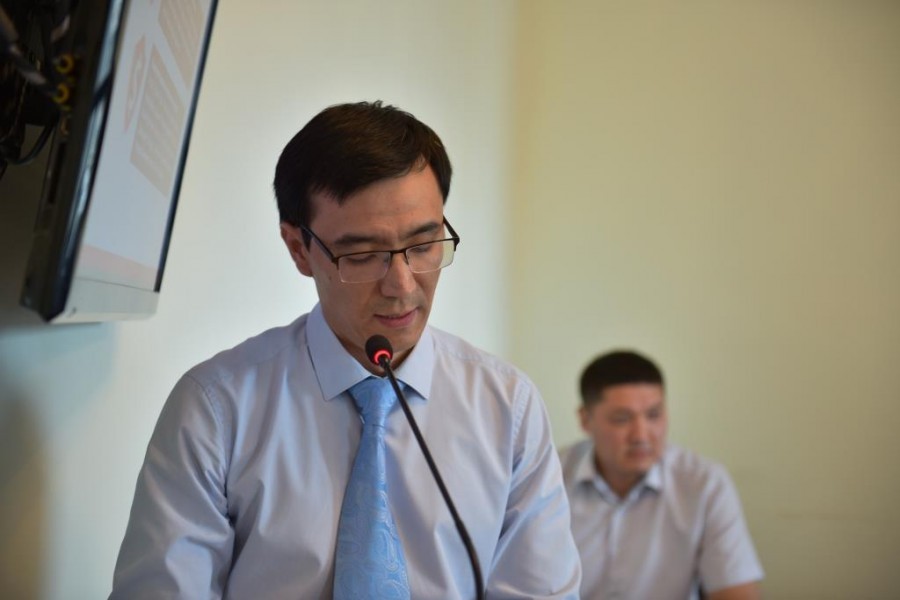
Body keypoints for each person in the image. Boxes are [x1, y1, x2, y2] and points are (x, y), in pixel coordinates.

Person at [110, 100, 580, 599]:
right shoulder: (217, 407)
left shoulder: (507, 408)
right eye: (363, 255)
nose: (402, 286)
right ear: (299, 249)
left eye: (424, 246)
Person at [559, 350, 763, 600]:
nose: (641, 435)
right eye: (622, 419)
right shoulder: (549, 479)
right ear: (585, 419)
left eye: (654, 415)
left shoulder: (704, 483)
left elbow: (737, 593)